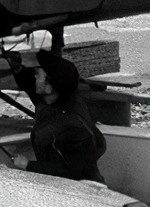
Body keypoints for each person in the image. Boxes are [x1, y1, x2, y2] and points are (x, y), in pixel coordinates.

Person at [7, 49, 106, 182]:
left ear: (50, 86)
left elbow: (73, 170)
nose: (35, 77)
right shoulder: (55, 98)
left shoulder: (71, 123)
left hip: (82, 189)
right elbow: (32, 86)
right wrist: (17, 68)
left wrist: (28, 165)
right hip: (62, 184)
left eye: (38, 75)